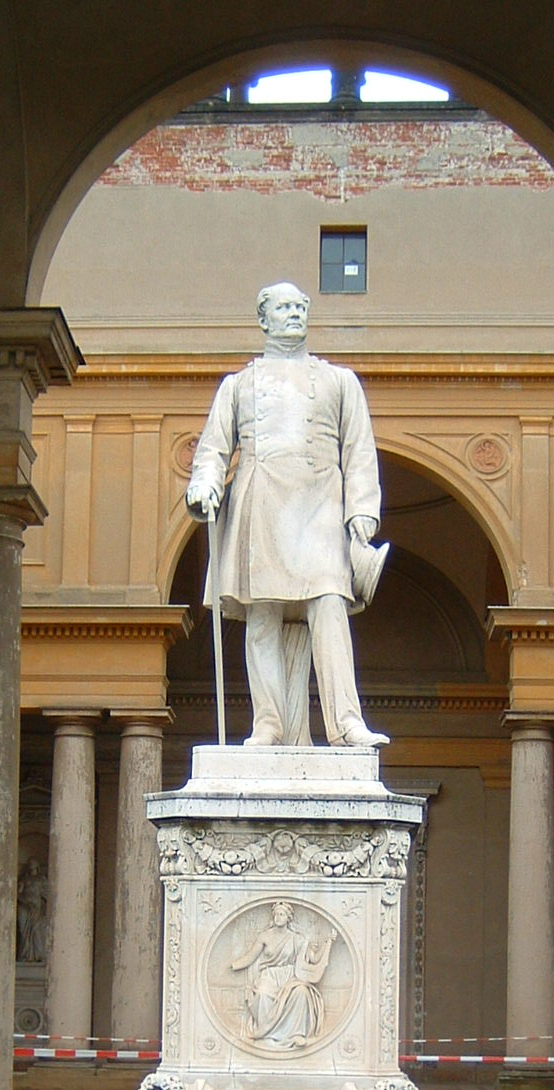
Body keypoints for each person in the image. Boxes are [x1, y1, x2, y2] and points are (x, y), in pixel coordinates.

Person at [185, 281, 389, 748]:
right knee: (263, 616)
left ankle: (346, 723)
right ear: (264, 319)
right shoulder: (238, 385)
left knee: (330, 603)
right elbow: (214, 449)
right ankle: (269, 724)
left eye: (300, 307)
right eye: (283, 307)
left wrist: (362, 513)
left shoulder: (341, 381)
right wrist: (205, 484)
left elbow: (360, 452)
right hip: (260, 501)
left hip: (321, 502)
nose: (294, 314)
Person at [229, 900, 337, 1049]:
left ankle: (296, 1034)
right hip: (269, 976)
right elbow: (251, 956)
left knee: (301, 992)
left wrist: (328, 943)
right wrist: (234, 966)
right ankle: (265, 1033)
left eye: (282, 914)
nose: (278, 917)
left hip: (290, 977)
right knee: (262, 994)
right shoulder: (265, 936)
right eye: (276, 914)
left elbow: (313, 958)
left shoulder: (296, 939)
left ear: (288, 918)